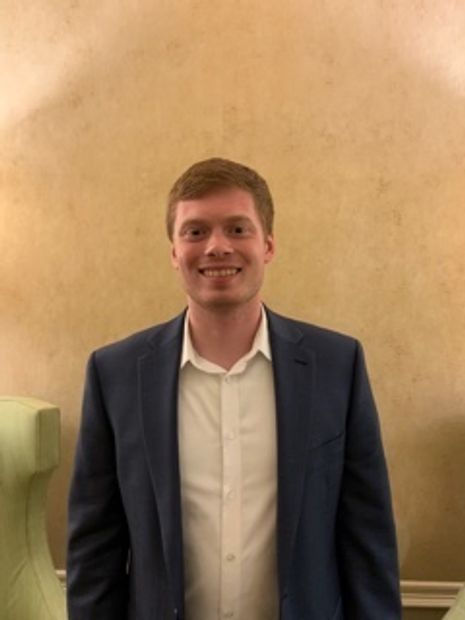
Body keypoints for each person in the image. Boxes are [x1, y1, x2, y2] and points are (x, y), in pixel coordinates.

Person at [67, 157, 401, 620]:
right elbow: (94, 550)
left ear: (268, 245)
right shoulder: (114, 375)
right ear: (174, 251)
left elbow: (368, 539)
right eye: (195, 231)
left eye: (238, 229)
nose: (217, 246)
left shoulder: (337, 366)